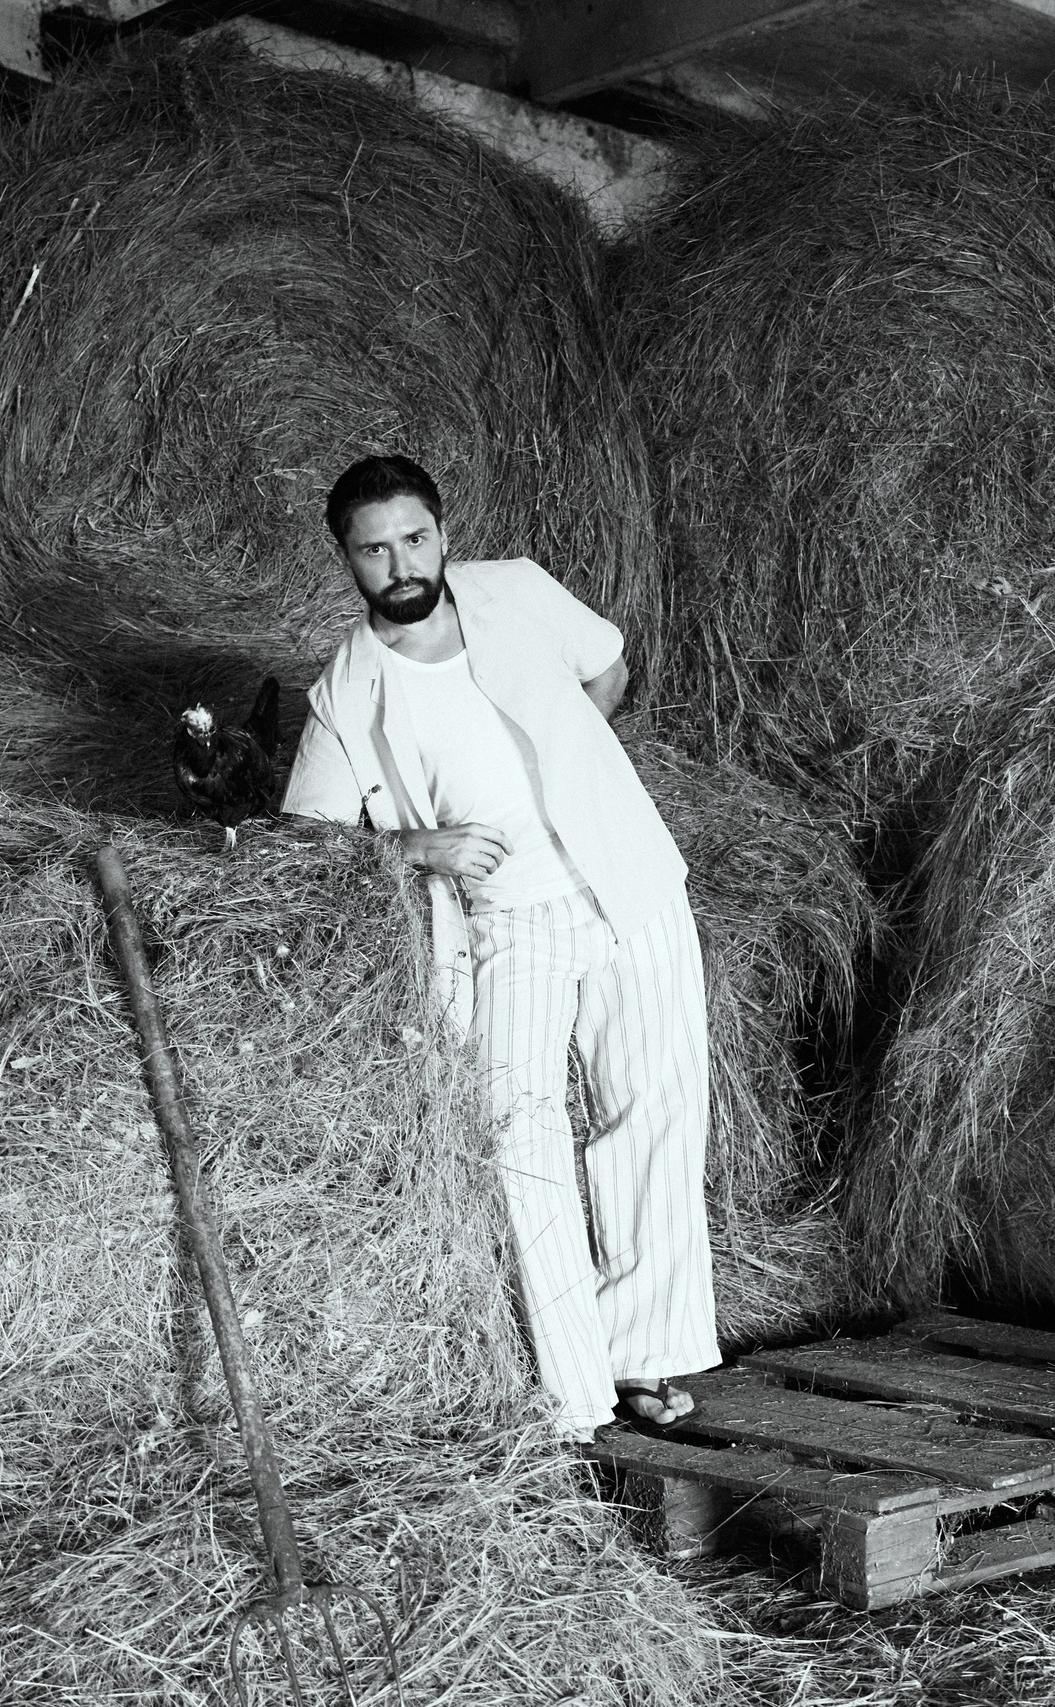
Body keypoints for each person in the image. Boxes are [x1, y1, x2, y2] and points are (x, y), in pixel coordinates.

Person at [282, 454, 719, 1440]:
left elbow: (605, 664)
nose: (399, 563)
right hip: (508, 921)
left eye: (414, 538)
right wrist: (410, 844)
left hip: (627, 879)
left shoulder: (515, 591)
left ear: (442, 534)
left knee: (654, 1116)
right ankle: (575, 1397)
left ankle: (643, 1357)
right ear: (345, 561)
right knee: (523, 1143)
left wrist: (581, 752)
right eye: (373, 549)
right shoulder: (345, 695)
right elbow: (305, 839)